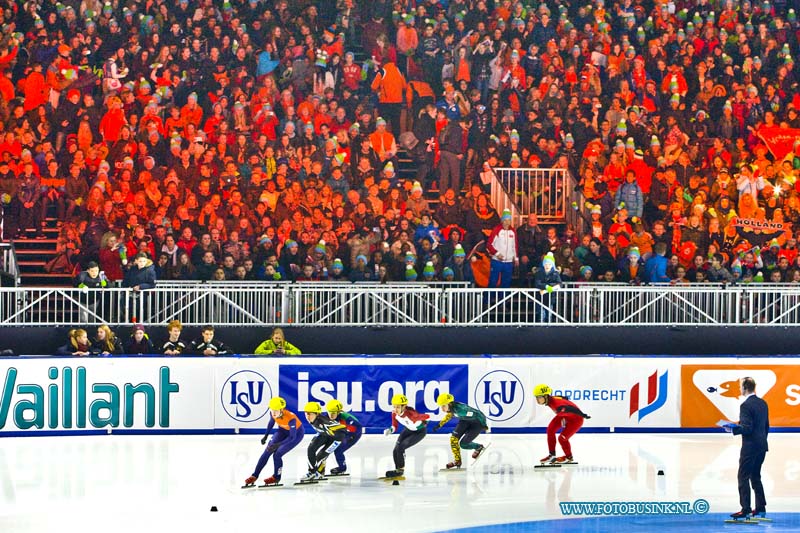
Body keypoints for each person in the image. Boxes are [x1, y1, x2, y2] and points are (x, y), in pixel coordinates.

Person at [725, 377, 770, 521]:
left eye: (740, 387)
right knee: (755, 476)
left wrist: (733, 429)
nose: (739, 389)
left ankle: (746, 510)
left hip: (750, 447)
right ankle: (761, 508)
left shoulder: (745, 405)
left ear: (744, 388)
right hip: (762, 446)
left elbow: (748, 428)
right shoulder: (763, 403)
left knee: (743, 477)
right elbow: (765, 426)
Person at [243, 397, 305, 487]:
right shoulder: (272, 413)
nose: (274, 413)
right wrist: (265, 436)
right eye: (272, 410)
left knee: (277, 454)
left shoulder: (291, 418)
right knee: (267, 451)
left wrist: (278, 445)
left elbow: (292, 437)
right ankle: (254, 475)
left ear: (282, 409)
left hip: (296, 435)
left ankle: (276, 477)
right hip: (282, 431)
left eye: (276, 410)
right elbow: (271, 423)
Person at [534, 384, 591, 465]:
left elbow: (572, 409)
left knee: (562, 438)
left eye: (539, 397)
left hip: (576, 420)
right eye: (536, 397)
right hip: (564, 415)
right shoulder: (552, 399)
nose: (537, 400)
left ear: (546, 396)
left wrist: (583, 415)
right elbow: (563, 398)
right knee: (550, 430)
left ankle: (569, 457)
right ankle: (552, 456)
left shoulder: (558, 406)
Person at [431, 393, 489, 470]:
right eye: (441, 406)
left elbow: (477, 413)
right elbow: (449, 416)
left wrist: (484, 424)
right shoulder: (451, 409)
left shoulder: (462, 410)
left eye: (443, 406)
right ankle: (457, 461)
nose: (442, 409)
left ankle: (478, 447)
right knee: (453, 439)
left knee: (463, 444)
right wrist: (439, 425)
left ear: (450, 404)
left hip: (477, 423)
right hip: (465, 421)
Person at [383, 393, 430, 478]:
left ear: (403, 406)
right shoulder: (394, 413)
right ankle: (397, 469)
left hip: (419, 432)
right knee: (395, 450)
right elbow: (395, 426)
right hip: (408, 430)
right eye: (394, 406)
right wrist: (390, 430)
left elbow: (426, 416)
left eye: (397, 407)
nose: (395, 409)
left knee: (401, 448)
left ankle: (401, 470)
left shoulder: (411, 415)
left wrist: (425, 419)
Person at [299, 401, 348, 482]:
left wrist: (345, 438)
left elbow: (343, 429)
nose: (308, 416)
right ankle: (313, 472)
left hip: (337, 438)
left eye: (310, 414)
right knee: (311, 448)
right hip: (324, 434)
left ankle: (315, 473)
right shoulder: (314, 419)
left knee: (320, 456)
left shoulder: (325, 423)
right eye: (306, 413)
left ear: (317, 414)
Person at [326, 399, 363, 475]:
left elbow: (359, 427)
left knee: (338, 450)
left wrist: (352, 436)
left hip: (353, 434)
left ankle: (342, 468)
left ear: (339, 412)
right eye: (329, 412)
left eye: (333, 413)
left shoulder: (345, 417)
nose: (331, 415)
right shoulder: (327, 416)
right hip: (343, 432)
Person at [486, 208, 517, 288]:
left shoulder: (513, 231)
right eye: (505, 220)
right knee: (493, 281)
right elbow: (489, 245)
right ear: (502, 221)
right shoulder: (496, 230)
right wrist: (497, 254)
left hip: (509, 262)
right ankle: (487, 300)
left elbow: (515, 245)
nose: (507, 222)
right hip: (497, 260)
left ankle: (503, 300)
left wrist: (516, 258)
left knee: (506, 283)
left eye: (509, 220)